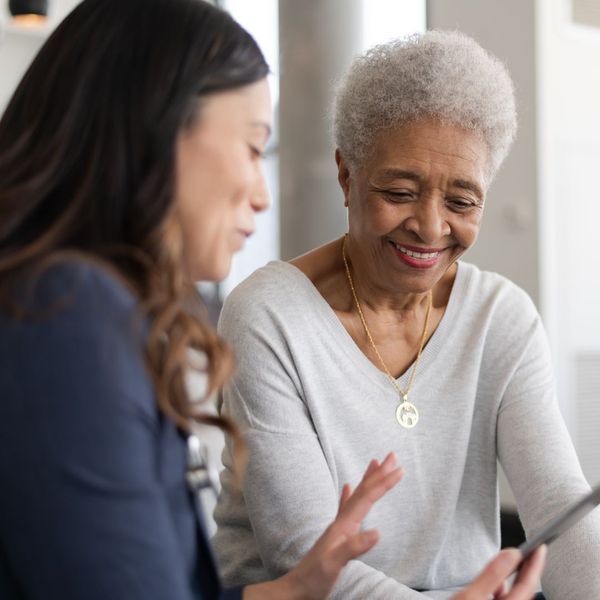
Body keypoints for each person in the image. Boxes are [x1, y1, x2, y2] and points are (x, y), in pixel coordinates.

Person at [0, 1, 545, 598]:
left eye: (462, 201)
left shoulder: (82, 310)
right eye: (253, 148)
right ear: (152, 136)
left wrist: (294, 590)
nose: (263, 195)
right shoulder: (67, 316)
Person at [213, 31, 600, 598]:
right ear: (347, 175)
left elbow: (560, 510)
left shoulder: (502, 318)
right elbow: (306, 555)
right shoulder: (268, 317)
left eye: (463, 201)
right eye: (398, 191)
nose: (431, 226)